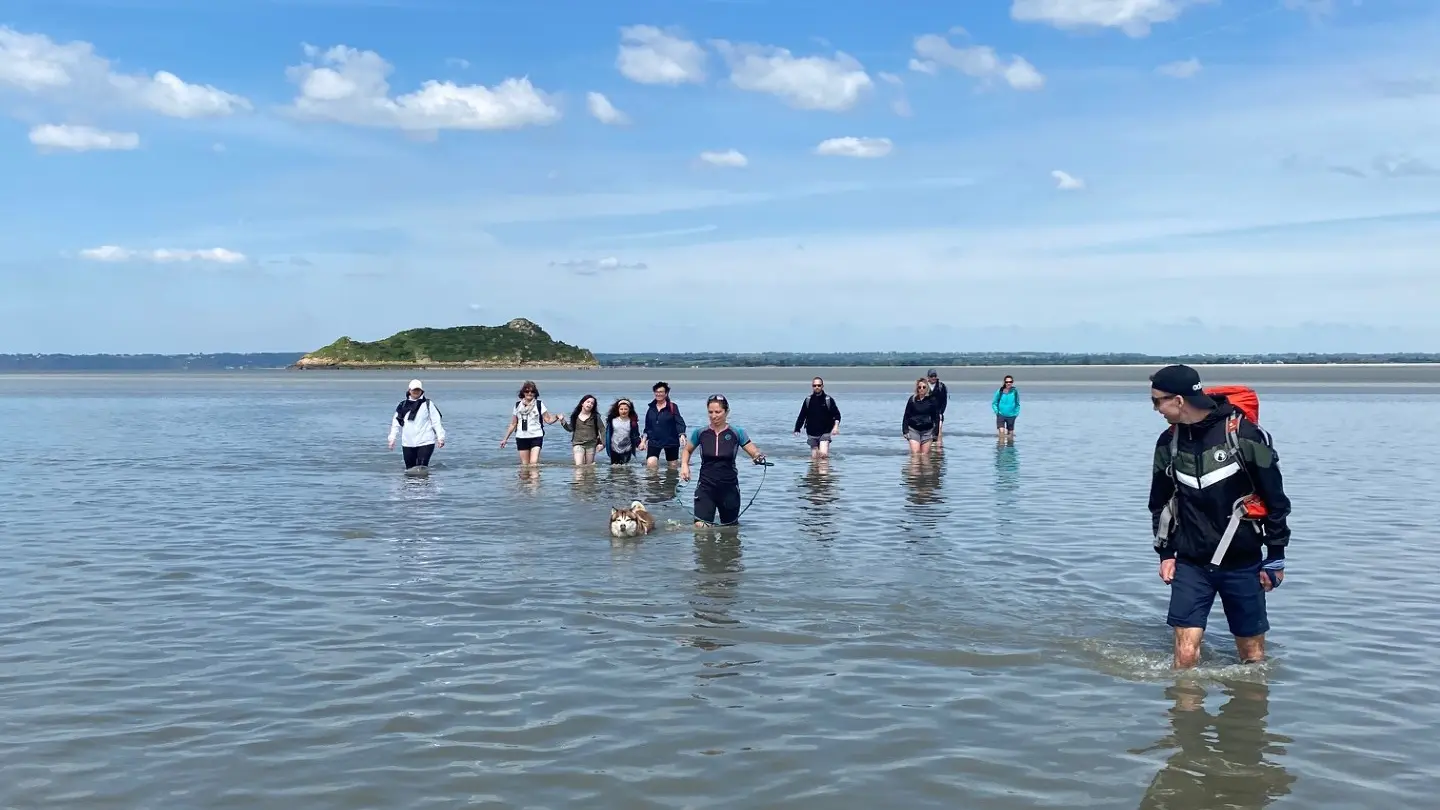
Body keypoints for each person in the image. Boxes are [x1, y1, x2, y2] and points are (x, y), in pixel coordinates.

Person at [1148, 364, 1292, 670]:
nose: (1156, 408)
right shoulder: (1167, 443)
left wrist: (1275, 556)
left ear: (1179, 400)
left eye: (1158, 401)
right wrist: (1166, 553)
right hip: (1191, 563)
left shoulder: (1245, 435)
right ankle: (1185, 713)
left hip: (1243, 562)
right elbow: (1159, 503)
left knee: (1253, 658)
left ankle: (1248, 712)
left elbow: (1276, 501)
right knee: (1185, 658)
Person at [681, 394, 767, 527]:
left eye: (718, 412)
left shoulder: (737, 432)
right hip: (705, 486)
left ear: (727, 412)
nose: (713, 416)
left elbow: (754, 452)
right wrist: (684, 466)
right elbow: (687, 450)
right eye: (710, 412)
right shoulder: (700, 433)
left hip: (729, 488)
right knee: (700, 527)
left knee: (730, 530)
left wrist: (758, 457)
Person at [387, 379, 445, 469]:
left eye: (418, 390)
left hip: (426, 441)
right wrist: (392, 438)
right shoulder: (402, 405)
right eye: (414, 390)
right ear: (409, 390)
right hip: (408, 442)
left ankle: (424, 483)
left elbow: (436, 422)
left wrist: (440, 437)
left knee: (421, 468)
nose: (416, 392)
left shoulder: (428, 404)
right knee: (410, 470)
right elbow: (396, 423)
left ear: (421, 391)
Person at [499, 380, 559, 465]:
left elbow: (548, 420)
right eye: (527, 391)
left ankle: (535, 478)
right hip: (521, 437)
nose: (529, 393)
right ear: (523, 392)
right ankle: (525, 478)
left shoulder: (539, 404)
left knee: (534, 463)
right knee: (525, 465)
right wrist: (505, 439)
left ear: (535, 393)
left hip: (536, 436)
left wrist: (557, 417)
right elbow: (513, 424)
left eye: (532, 391)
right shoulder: (517, 405)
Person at [793, 376, 842, 458]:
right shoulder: (808, 400)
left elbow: (837, 415)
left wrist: (835, 427)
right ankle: (815, 470)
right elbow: (802, 415)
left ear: (822, 386)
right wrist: (797, 428)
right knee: (814, 459)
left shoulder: (828, 400)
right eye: (815, 385)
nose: (817, 387)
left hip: (825, 432)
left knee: (823, 456)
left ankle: (824, 470)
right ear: (812, 386)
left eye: (819, 385)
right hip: (811, 432)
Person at [642, 381, 687, 469]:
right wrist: (643, 441)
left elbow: (679, 422)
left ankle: (670, 482)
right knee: (651, 463)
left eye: (661, 392)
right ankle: (653, 482)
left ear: (666, 393)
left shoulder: (672, 407)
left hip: (671, 441)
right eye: (657, 392)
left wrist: (682, 434)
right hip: (654, 441)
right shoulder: (651, 408)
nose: (658, 394)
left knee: (673, 466)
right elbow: (647, 427)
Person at [558, 394, 603, 465]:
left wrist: (602, 444)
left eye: (592, 403)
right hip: (578, 444)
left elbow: (602, 430)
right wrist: (563, 421)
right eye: (588, 402)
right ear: (582, 403)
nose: (590, 404)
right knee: (579, 466)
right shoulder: (575, 416)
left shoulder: (595, 417)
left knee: (589, 467)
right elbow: (570, 429)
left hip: (591, 444)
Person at [901, 378, 942, 455]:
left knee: (924, 455)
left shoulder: (932, 400)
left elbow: (936, 418)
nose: (921, 389)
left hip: (927, 431)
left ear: (927, 388)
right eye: (919, 387)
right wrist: (905, 430)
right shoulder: (912, 400)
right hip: (914, 429)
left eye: (924, 387)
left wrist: (935, 433)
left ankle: (923, 467)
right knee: (915, 454)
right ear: (917, 389)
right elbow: (906, 416)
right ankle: (915, 466)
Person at [604, 398, 642, 464]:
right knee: (614, 468)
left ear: (629, 410)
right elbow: (607, 435)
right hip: (614, 449)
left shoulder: (632, 422)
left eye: (626, 409)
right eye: (621, 409)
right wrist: (602, 443)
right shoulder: (612, 421)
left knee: (625, 468)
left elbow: (636, 435)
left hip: (627, 449)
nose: (623, 411)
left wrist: (639, 444)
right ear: (618, 410)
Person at [992, 374, 1020, 441]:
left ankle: (1010, 450)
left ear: (1012, 382)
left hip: (1011, 415)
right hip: (1001, 415)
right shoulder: (1000, 391)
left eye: (1010, 382)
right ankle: (1000, 450)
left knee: (1011, 436)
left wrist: (1016, 413)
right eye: (1007, 382)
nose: (1008, 383)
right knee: (1001, 434)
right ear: (1004, 382)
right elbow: (994, 403)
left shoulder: (1015, 391)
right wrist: (997, 412)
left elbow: (1017, 403)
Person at [926, 368, 949, 446]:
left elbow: (944, 401)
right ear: (928, 377)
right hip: (926, 414)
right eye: (931, 376)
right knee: (927, 432)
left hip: (938, 413)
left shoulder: (941, 386)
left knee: (938, 432)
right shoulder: (924, 386)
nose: (933, 378)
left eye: (934, 376)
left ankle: (939, 449)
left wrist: (941, 412)